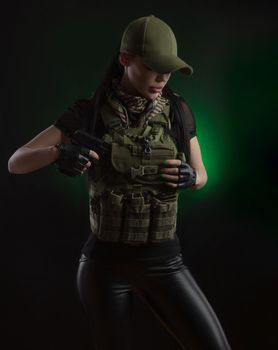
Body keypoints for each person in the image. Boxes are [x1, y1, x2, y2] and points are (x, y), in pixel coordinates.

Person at [8, 14, 231, 350]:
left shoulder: (178, 112)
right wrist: (59, 152)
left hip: (164, 262)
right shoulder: (90, 113)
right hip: (103, 267)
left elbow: (201, 175)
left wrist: (191, 176)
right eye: (152, 66)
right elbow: (16, 162)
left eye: (167, 69)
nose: (161, 78)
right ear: (125, 60)